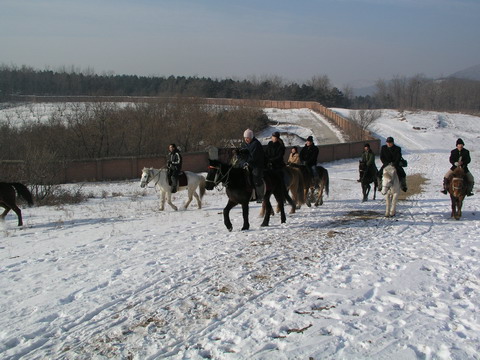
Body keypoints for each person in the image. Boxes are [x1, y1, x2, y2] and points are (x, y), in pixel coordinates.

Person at [241, 129, 265, 203]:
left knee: (256, 178)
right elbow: (242, 155)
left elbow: (253, 157)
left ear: (251, 137)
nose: (246, 139)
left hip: (257, 165)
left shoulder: (256, 144)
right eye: (245, 138)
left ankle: (260, 196)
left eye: (247, 138)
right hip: (248, 164)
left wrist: (246, 161)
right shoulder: (245, 144)